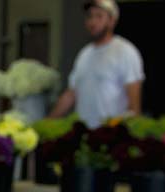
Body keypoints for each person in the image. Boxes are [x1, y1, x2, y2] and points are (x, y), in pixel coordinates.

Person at [48, 0, 144, 128]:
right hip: (83, 135)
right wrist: (47, 121)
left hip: (112, 136)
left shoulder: (125, 51)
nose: (93, 22)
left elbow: (134, 107)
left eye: (99, 16)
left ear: (112, 20)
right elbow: (71, 94)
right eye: (90, 16)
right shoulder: (84, 54)